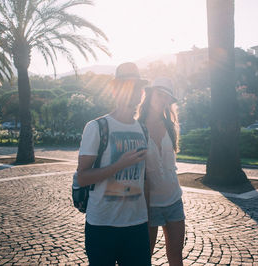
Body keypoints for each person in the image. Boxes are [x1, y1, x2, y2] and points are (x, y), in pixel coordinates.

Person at [77, 62, 151, 266]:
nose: (134, 91)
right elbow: (82, 177)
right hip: (102, 225)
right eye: (128, 85)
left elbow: (144, 178)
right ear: (115, 90)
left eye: (138, 87)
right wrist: (119, 165)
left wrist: (148, 216)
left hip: (136, 225)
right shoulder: (97, 127)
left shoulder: (143, 130)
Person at [138, 77, 185, 266]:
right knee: (144, 257)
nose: (163, 100)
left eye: (167, 97)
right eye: (159, 94)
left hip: (174, 200)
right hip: (149, 204)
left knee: (176, 255)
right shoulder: (137, 127)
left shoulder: (170, 126)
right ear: (149, 95)